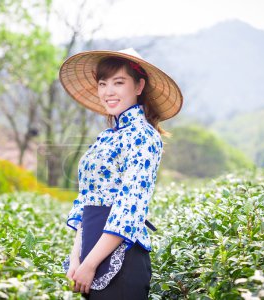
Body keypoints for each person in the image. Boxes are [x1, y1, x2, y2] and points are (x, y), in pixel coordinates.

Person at [59, 48, 183, 299]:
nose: (108, 91)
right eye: (103, 83)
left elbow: (130, 208)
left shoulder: (145, 136)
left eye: (119, 82)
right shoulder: (105, 137)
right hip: (88, 258)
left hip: (123, 261)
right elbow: (86, 201)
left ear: (138, 87)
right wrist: (76, 259)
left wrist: (90, 263)